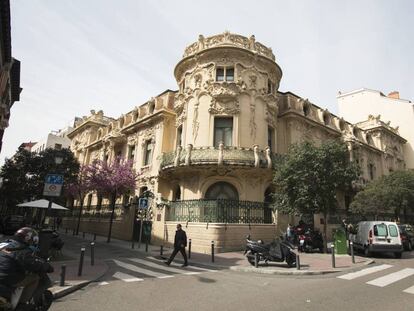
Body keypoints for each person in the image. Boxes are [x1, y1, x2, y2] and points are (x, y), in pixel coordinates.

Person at [0, 227, 53, 310]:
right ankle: (22, 304)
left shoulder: (4, 243)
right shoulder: (22, 249)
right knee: (34, 277)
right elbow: (33, 263)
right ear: (29, 239)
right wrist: (47, 266)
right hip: (5, 278)